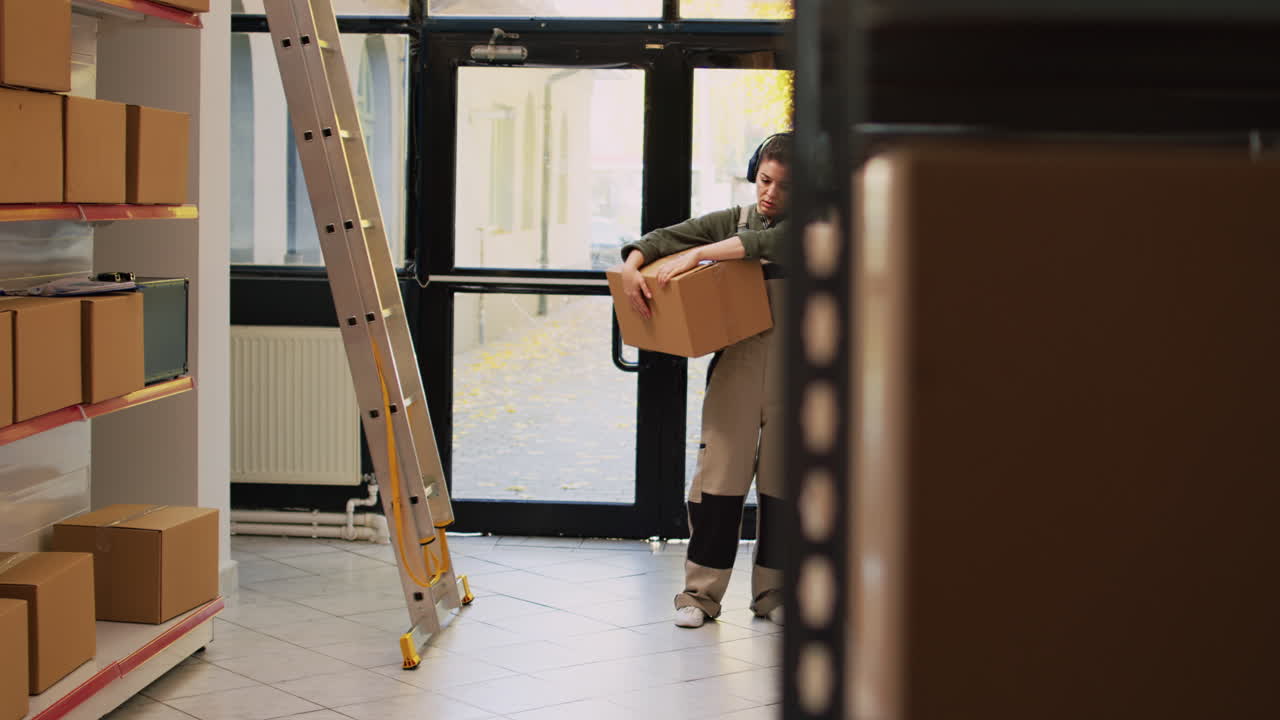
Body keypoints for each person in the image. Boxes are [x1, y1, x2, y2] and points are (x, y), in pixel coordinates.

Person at [618, 133, 792, 628]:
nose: (771, 194)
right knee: (717, 486)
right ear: (754, 172)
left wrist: (701, 257)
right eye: (764, 180)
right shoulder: (733, 221)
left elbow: (772, 242)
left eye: (786, 186)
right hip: (736, 370)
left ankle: (775, 593)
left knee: (785, 488)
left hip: (801, 376)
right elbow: (663, 239)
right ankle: (700, 596)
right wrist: (632, 266)